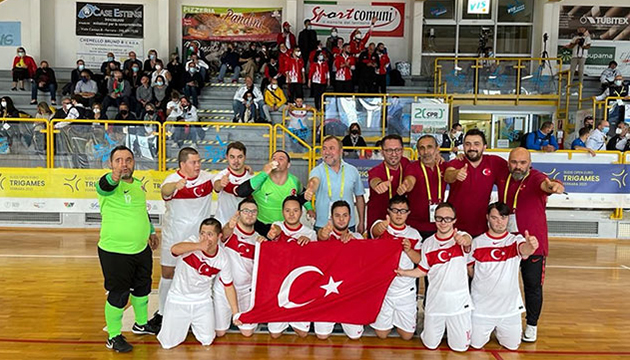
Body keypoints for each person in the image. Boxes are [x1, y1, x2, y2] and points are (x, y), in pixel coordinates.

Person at [497, 148, 564, 343]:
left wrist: (555, 186)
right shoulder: (504, 175)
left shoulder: (536, 177)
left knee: (532, 286)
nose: (517, 166)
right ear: (508, 162)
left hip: (533, 244)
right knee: (503, 283)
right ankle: (503, 320)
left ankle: (532, 325)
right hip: (507, 241)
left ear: (530, 163)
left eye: (522, 162)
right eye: (514, 162)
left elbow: (547, 184)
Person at [96, 146, 160, 353]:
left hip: (141, 249)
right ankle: (113, 336)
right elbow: (106, 185)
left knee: (142, 288)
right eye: (118, 160)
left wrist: (150, 231)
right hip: (115, 251)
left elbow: (142, 211)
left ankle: (141, 323)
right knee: (119, 294)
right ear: (111, 164)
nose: (124, 164)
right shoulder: (106, 183)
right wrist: (114, 177)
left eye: (128, 160)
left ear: (134, 162)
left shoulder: (139, 185)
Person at [149, 147, 214, 332]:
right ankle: (162, 313)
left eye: (199, 161)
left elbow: (220, 181)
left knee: (199, 273)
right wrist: (176, 186)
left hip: (198, 238)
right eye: (194, 162)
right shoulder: (171, 180)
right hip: (174, 236)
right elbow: (165, 191)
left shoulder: (207, 177)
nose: (198, 165)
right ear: (182, 164)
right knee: (168, 274)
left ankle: (197, 314)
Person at [395, 202, 472, 351]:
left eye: (448, 219)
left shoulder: (460, 238)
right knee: (430, 345)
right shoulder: (428, 243)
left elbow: (467, 240)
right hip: (435, 303)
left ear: (454, 220)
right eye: (439, 218)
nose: (443, 223)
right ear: (435, 219)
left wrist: (465, 240)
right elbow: (423, 270)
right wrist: (403, 272)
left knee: (460, 348)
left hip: (459, 305)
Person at [157, 218, 241, 349]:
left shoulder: (222, 258)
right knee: (168, 344)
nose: (205, 238)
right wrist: (198, 246)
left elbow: (228, 286)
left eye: (210, 234)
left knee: (207, 340)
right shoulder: (192, 242)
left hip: (202, 301)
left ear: (219, 236)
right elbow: (174, 249)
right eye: (202, 233)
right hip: (178, 299)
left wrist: (236, 312)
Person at [468, 202, 539, 350]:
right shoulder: (477, 242)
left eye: (503, 217)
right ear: (487, 217)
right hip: (481, 309)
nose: (499, 222)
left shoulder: (515, 240)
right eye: (494, 218)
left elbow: (525, 250)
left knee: (513, 347)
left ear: (508, 218)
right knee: (474, 345)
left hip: (509, 310)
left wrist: (531, 246)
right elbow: (469, 268)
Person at [264, 195, 317, 338]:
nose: (291, 214)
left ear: (301, 212)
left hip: (299, 287)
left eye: (295, 210)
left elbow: (314, 262)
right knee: (274, 334)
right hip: (278, 286)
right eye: (287, 210)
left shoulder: (310, 233)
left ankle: (293, 318)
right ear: (282, 212)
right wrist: (274, 236)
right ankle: (283, 317)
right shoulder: (276, 226)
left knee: (303, 334)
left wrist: (308, 245)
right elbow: (272, 237)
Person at [371, 195, 421, 340]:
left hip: (405, 290)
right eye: (395, 210)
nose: (399, 214)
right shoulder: (382, 226)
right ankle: (388, 320)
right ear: (388, 211)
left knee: (406, 336)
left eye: (403, 210)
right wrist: (381, 227)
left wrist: (409, 250)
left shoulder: (414, 234)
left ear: (408, 213)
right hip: (384, 290)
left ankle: (403, 317)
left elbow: (420, 261)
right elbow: (375, 231)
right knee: (381, 334)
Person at [314, 200, 365, 340]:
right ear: (331, 217)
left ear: (350, 217)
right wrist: (323, 235)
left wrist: (354, 243)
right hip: (326, 294)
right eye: (337, 215)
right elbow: (321, 238)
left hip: (348, 296)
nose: (341, 219)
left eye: (345, 215)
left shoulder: (358, 238)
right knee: (322, 336)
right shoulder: (323, 234)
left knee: (355, 336)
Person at [444, 129, 508, 237]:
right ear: (463, 146)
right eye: (467, 144)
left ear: (484, 146)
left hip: (482, 228)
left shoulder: (494, 162)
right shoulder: (457, 162)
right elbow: (447, 175)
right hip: (455, 228)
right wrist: (456, 174)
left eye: (476, 144)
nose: (472, 148)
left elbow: (515, 168)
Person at [214, 199, 264, 338]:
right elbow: (224, 233)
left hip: (245, 291)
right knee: (220, 332)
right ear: (239, 213)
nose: (250, 214)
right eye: (246, 211)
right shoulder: (231, 232)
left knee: (247, 333)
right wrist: (229, 225)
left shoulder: (259, 239)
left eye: (253, 211)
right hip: (223, 290)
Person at [234, 150, 311, 236]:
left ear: (288, 165)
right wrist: (264, 173)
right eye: (273, 159)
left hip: (285, 227)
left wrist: (309, 208)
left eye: (281, 159)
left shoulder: (294, 181)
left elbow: (302, 194)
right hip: (262, 225)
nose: (276, 161)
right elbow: (240, 192)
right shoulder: (261, 179)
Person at [305, 136, 366, 233]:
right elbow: (314, 181)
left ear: (341, 151)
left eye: (331, 148)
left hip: (348, 226)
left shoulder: (352, 170)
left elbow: (359, 197)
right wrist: (310, 189)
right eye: (324, 148)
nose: (327, 152)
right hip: (323, 226)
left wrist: (362, 222)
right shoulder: (317, 171)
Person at [397, 135, 446, 238]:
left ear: (437, 149)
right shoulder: (413, 167)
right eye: (422, 148)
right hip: (415, 227)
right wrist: (406, 185)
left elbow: (453, 172)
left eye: (429, 147)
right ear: (418, 151)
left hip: (439, 226)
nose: (426, 152)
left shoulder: (443, 166)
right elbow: (410, 179)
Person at [367, 134, 410, 231]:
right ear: (382, 152)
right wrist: (379, 185)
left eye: (397, 150)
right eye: (389, 150)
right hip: (380, 225)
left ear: (402, 150)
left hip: (401, 224)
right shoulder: (376, 171)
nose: (394, 154)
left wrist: (437, 158)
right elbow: (374, 180)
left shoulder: (406, 164)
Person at [212, 141, 254, 226]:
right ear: (226, 157)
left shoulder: (251, 177)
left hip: (243, 227)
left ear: (245, 157)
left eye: (240, 157)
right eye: (232, 157)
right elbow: (216, 186)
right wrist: (221, 183)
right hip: (223, 225)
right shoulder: (222, 175)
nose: (236, 161)